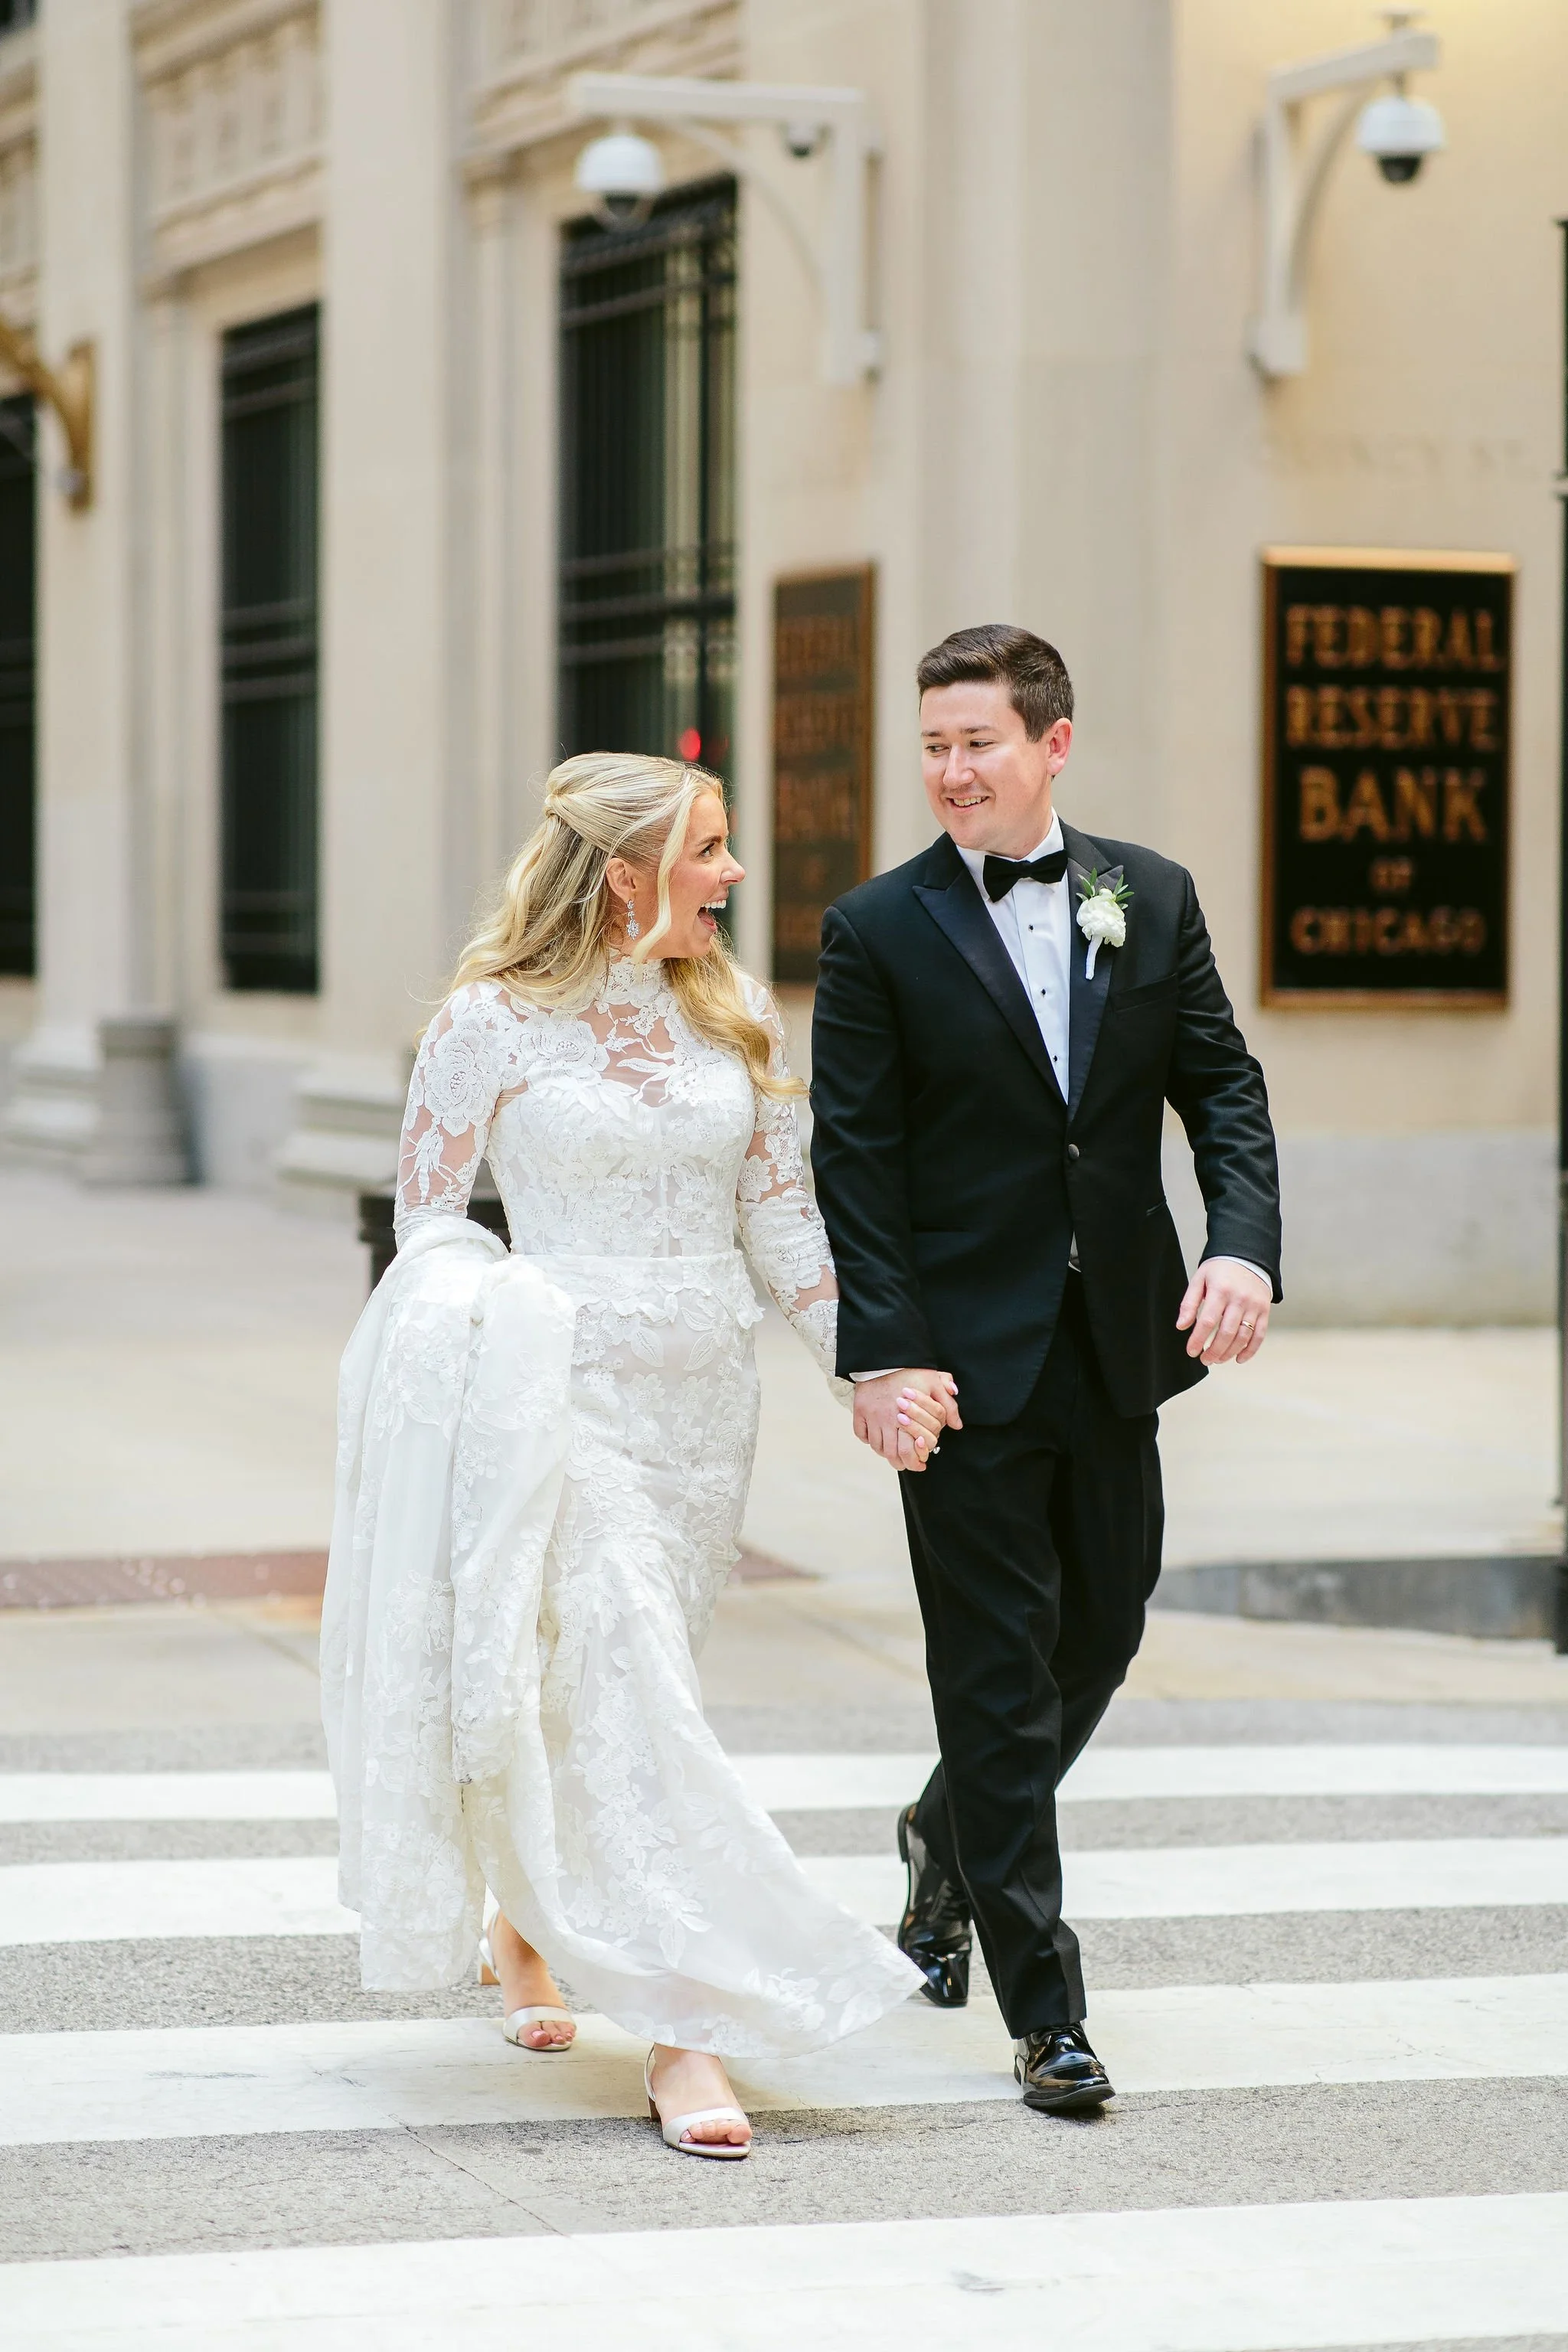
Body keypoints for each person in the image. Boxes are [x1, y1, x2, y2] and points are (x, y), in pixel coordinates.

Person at [322, 753, 937, 2161]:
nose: (733, 874)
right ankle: (685, 2026)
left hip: (703, 1406)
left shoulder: (737, 1012)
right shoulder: (487, 1021)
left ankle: (528, 1927)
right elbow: (429, 1223)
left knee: (629, 1688)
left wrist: (866, 1365)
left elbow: (782, 1222)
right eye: (709, 849)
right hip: (562, 1394)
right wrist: (493, 1329)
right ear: (625, 876)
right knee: (624, 1667)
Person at [808, 624, 1282, 2115]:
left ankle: (941, 1833)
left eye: (979, 742)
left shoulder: (1149, 894)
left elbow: (1222, 1086)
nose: (952, 771)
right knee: (997, 1674)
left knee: (1105, 1629)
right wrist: (884, 1356)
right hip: (959, 1363)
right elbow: (855, 1163)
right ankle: (1047, 2014)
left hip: (1117, 1342)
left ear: (1052, 743)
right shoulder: (874, 929)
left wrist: (1243, 1248)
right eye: (935, 745)